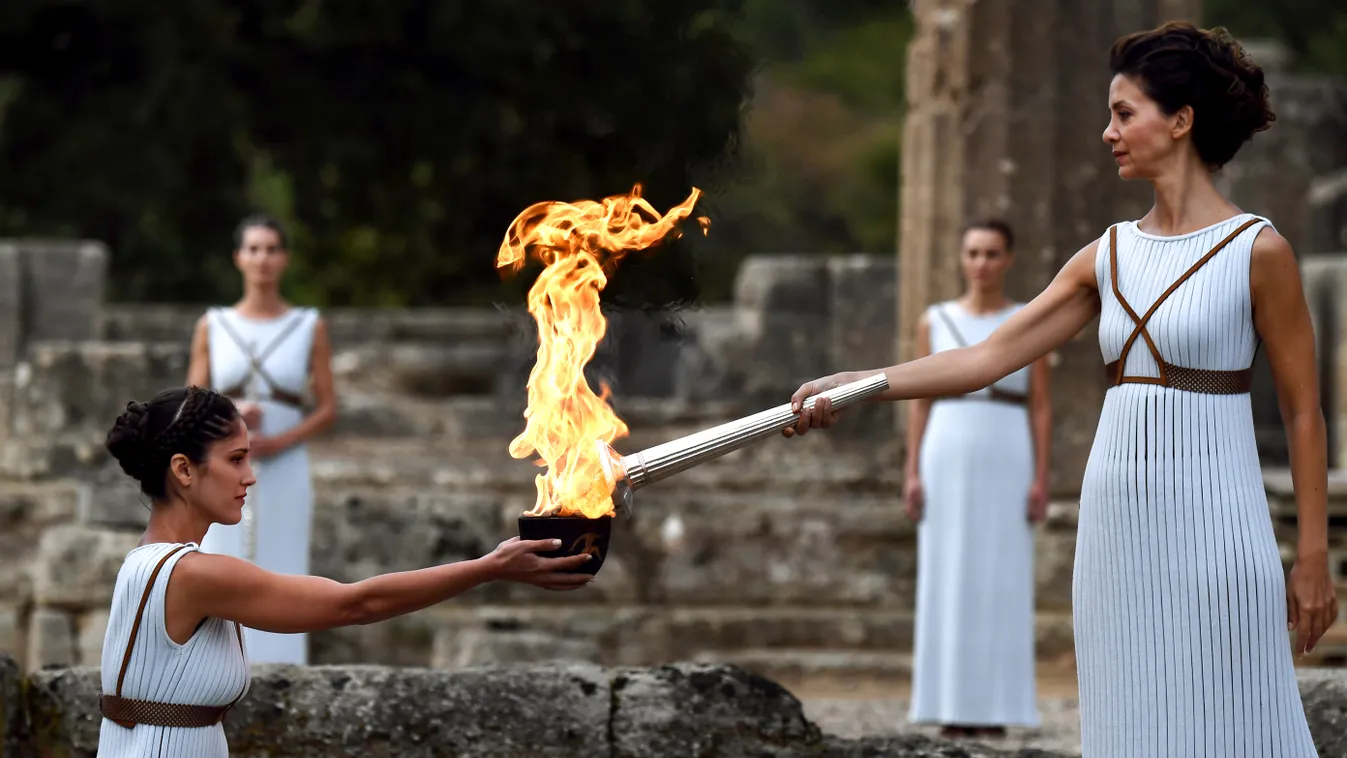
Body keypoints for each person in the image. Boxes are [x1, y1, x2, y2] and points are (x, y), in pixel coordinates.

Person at [785, 22, 1337, 757]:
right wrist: (861, 384)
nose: (1106, 132)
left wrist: (1308, 556)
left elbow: (1303, 411)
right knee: (1128, 720)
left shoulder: (1257, 251)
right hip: (1116, 527)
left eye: (1122, 113)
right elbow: (984, 359)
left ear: (1179, 121)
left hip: (1218, 520)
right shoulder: (1104, 256)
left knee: (1233, 707)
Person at [96, 386, 591, 757]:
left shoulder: (148, 561)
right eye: (236, 459)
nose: (249, 475)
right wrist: (488, 568)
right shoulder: (193, 575)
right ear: (184, 471)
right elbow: (355, 604)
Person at [903, 218, 1051, 738]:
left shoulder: (1027, 320)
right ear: (961, 259)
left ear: (1008, 259)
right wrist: (912, 469)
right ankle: (948, 702)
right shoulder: (936, 320)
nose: (981, 264)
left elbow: (1041, 406)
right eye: (973, 253)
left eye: (991, 254)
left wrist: (1040, 478)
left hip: (1007, 447)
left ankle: (996, 704)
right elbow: (918, 401)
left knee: (1002, 575)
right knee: (949, 573)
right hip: (948, 445)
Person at [187, 214, 334, 665]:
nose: (262, 258)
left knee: (283, 562)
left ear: (284, 258)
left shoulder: (309, 325)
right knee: (221, 559)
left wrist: (282, 439)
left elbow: (328, 407)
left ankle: (283, 668)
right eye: (253, 249)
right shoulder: (213, 324)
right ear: (238, 258)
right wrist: (229, 414)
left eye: (271, 249)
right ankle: (215, 667)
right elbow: (190, 401)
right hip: (222, 463)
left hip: (286, 463)